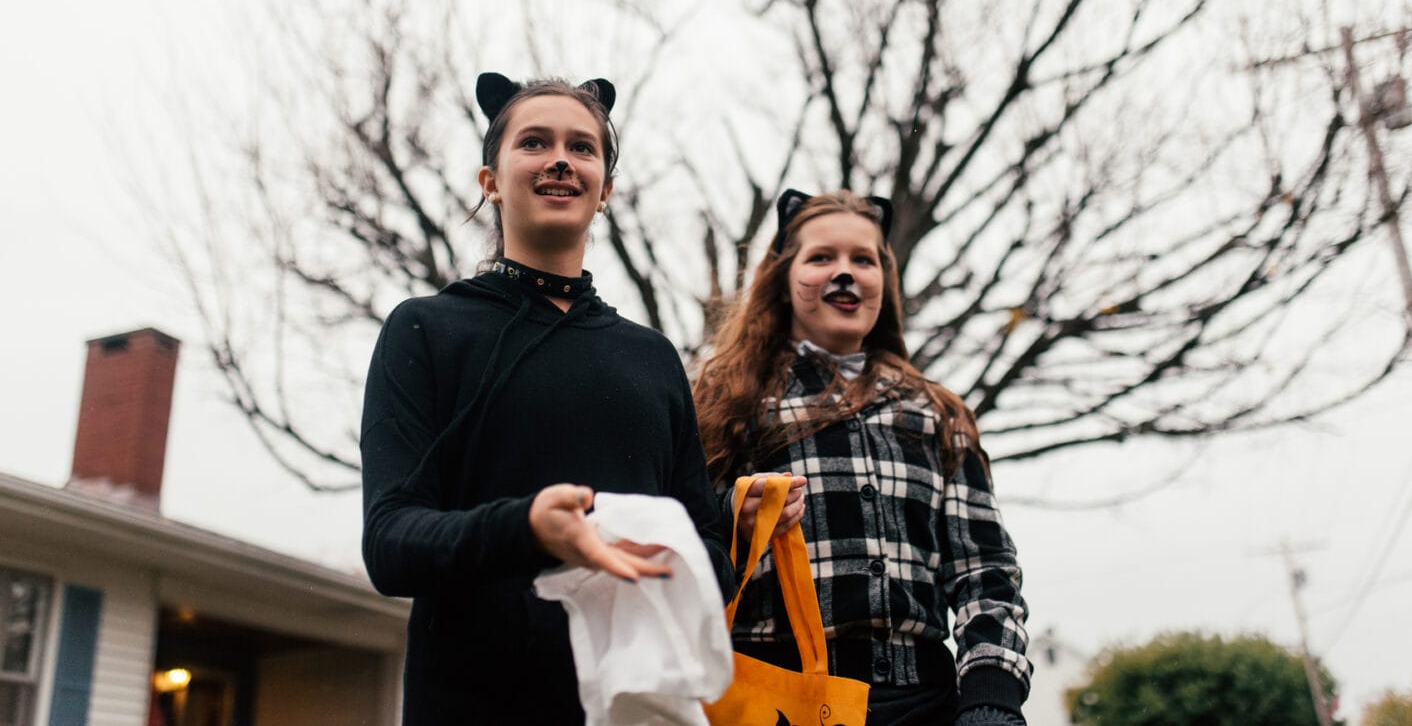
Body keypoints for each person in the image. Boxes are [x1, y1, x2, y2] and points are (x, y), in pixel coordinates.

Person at [361, 73, 734, 725]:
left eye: (582, 147)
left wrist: (734, 521)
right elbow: (390, 543)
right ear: (490, 182)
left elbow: (706, 562)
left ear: (606, 192)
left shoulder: (652, 358)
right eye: (534, 142)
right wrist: (528, 529)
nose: (561, 158)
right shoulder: (425, 330)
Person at [693, 189, 1032, 726]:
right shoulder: (719, 403)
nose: (844, 273)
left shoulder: (939, 412)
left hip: (926, 703)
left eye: (863, 259)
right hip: (775, 702)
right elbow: (679, 548)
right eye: (821, 257)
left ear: (884, 280)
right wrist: (734, 519)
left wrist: (991, 696)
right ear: (783, 277)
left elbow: (984, 571)